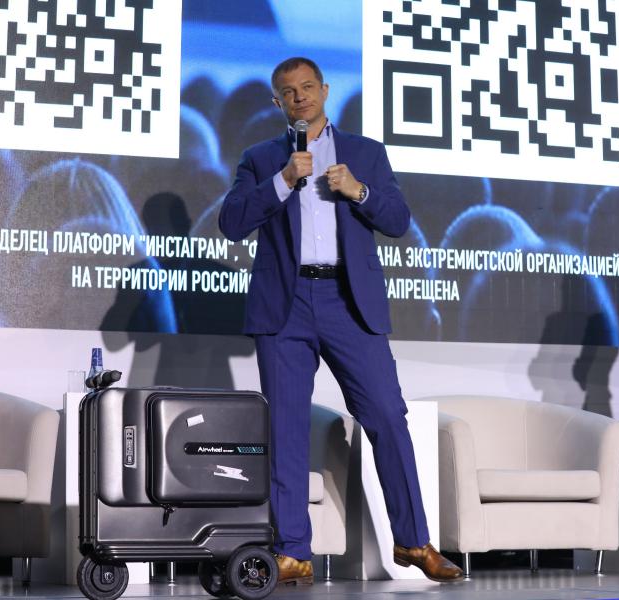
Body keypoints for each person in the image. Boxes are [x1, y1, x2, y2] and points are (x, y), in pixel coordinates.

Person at [218, 57, 463, 585]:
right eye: (289, 91)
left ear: (325, 90)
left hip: (348, 301)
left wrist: (359, 191)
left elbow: (397, 220)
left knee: (387, 416)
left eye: (308, 87)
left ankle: (413, 542)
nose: (300, 96)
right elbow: (232, 223)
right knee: (286, 428)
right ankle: (293, 552)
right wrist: (284, 180)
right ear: (277, 101)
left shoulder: (365, 153)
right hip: (285, 305)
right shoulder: (261, 159)